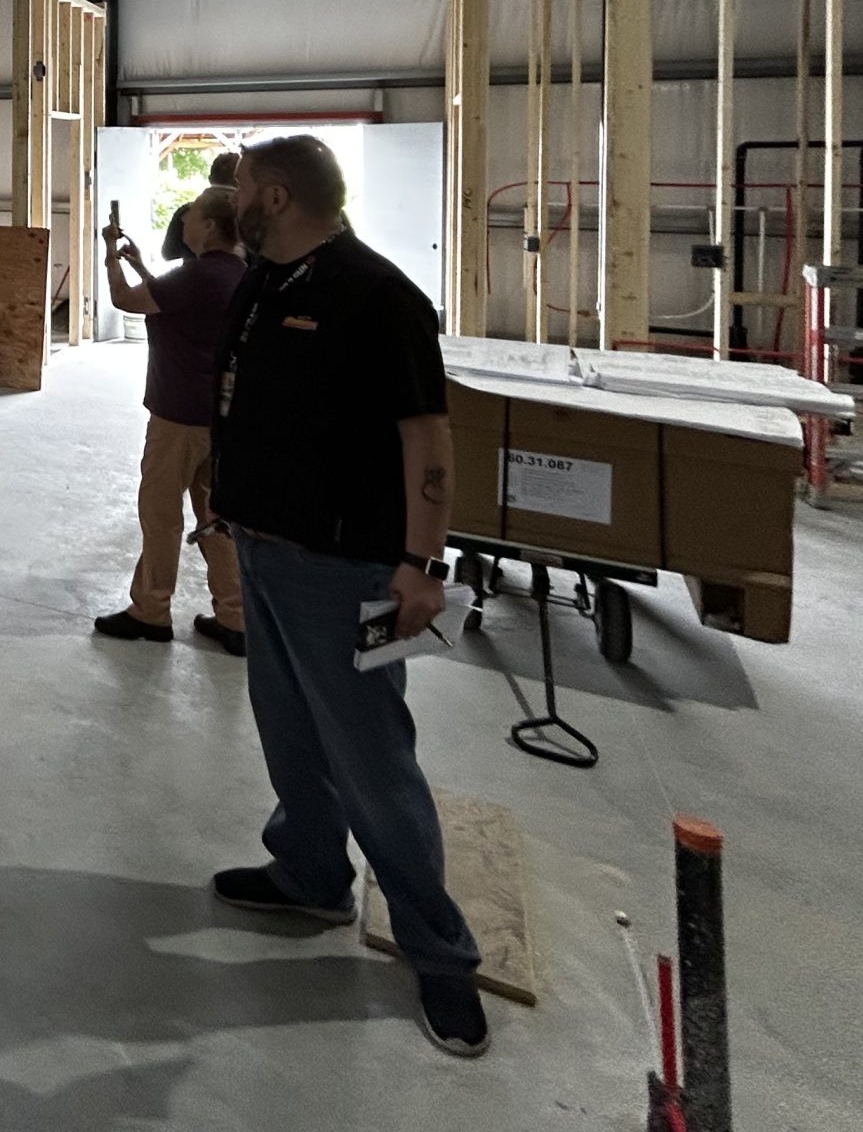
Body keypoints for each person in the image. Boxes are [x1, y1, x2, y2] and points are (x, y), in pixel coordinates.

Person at [205, 135, 489, 1059]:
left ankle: (439, 950)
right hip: (264, 553)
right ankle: (311, 872)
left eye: (242, 184)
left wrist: (424, 564)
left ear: (276, 195)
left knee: (373, 753)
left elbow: (428, 439)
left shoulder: (379, 297)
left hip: (352, 572)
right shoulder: (264, 282)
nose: (232, 194)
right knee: (288, 730)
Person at [93, 186, 248, 655]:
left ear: (211, 226)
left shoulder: (200, 276)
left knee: (160, 514)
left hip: (178, 415)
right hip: (216, 418)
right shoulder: (234, 273)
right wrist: (141, 264)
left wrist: (110, 256)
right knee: (214, 518)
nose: (184, 223)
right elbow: (170, 302)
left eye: (193, 216)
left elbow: (125, 300)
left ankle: (150, 611)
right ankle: (235, 617)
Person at [159, 150, 240, 264]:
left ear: (210, 178)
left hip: (193, 277)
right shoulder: (246, 212)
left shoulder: (187, 211)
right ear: (238, 181)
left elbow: (168, 253)